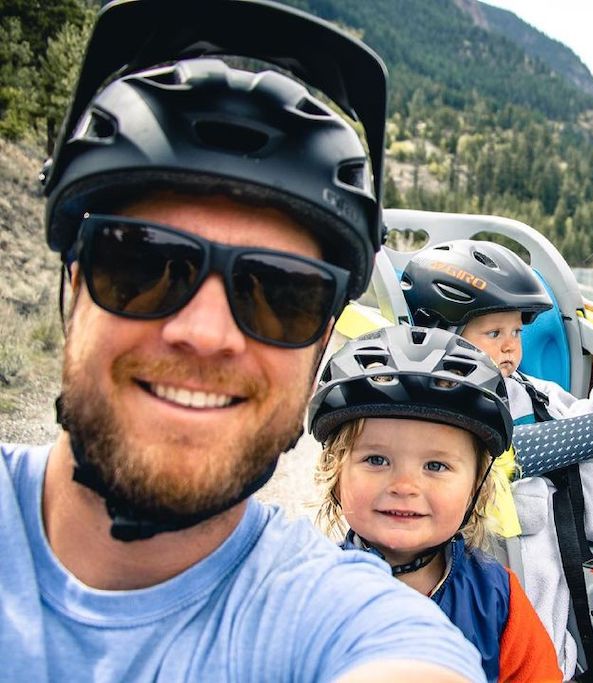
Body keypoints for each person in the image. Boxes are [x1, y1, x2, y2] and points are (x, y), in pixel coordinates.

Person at [0, 2, 484, 681]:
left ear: (320, 343)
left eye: (280, 294)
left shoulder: (353, 621)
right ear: (74, 283)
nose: (203, 332)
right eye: (142, 263)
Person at [402, 239, 593, 677]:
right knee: (536, 548)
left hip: (571, 490)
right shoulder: (445, 404)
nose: (510, 347)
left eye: (516, 333)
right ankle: (549, 662)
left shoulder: (527, 387)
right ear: (443, 335)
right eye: (494, 334)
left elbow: (573, 412)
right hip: (515, 516)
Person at [308, 325, 563, 683]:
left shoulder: (496, 600)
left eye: (436, 466)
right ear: (336, 471)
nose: (404, 486)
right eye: (377, 460)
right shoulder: (308, 595)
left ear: (477, 486)